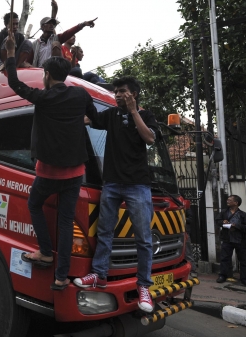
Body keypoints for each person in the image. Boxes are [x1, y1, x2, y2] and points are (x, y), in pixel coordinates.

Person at [4, 31, 94, 291]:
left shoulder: (42, 97)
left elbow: (14, 83)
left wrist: (11, 53)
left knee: (35, 205)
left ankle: (45, 251)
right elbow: (92, 118)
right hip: (76, 172)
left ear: (46, 76)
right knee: (65, 221)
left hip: (48, 173)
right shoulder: (81, 95)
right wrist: (78, 122)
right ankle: (60, 277)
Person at [74, 76, 158, 313]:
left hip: (137, 185)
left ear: (134, 94)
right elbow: (91, 118)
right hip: (111, 183)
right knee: (105, 232)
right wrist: (82, 94)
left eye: (122, 92)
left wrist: (134, 112)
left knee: (143, 238)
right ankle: (99, 274)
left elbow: (150, 138)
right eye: (116, 92)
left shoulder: (146, 115)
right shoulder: (111, 116)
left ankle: (144, 287)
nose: (117, 95)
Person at [32, 1, 97, 68]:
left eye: (53, 23)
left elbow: (70, 32)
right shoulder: (35, 44)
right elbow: (29, 60)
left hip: (53, 71)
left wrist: (83, 24)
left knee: (56, 43)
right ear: (42, 27)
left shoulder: (57, 38)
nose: (51, 25)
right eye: (49, 23)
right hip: (38, 71)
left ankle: (55, 70)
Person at [216, 195, 246, 287]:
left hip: (241, 241)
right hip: (227, 239)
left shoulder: (243, 215)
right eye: (227, 199)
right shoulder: (224, 212)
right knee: (225, 258)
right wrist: (222, 222)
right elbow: (217, 221)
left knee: (244, 260)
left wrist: (236, 225)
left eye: (230, 200)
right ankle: (222, 276)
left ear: (236, 203)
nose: (227, 201)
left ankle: (244, 279)